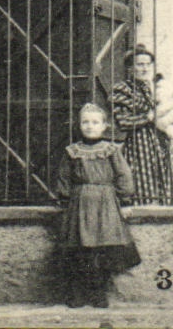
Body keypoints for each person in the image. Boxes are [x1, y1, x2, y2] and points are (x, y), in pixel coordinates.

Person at [54, 103, 141, 308]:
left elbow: (123, 175)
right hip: (80, 204)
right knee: (79, 249)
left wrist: (125, 201)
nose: (90, 126)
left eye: (95, 122)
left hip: (106, 204)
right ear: (79, 125)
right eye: (85, 122)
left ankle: (98, 294)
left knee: (102, 250)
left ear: (104, 126)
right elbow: (64, 177)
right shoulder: (72, 152)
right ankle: (77, 294)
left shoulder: (110, 150)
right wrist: (65, 200)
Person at [112, 45, 173, 205]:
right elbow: (122, 122)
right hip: (140, 146)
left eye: (148, 64)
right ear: (131, 67)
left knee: (166, 187)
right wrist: (148, 117)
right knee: (143, 187)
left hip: (162, 144)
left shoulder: (158, 88)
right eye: (139, 64)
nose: (144, 68)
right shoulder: (123, 90)